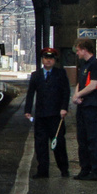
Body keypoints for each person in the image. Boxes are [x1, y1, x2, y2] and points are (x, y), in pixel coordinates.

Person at [25, 47, 70, 178]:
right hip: (40, 116)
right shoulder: (36, 75)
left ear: (54, 60)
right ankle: (42, 171)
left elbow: (66, 92)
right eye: (46, 58)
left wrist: (64, 108)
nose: (48, 61)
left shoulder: (61, 74)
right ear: (42, 60)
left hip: (56, 115)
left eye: (51, 58)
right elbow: (30, 93)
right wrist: (28, 110)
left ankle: (64, 169)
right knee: (40, 145)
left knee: (59, 144)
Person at [72, 37, 97, 181]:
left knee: (93, 140)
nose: (77, 53)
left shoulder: (95, 64)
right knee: (82, 140)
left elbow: (93, 84)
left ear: (84, 49)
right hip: (83, 106)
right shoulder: (84, 65)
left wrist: (78, 95)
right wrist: (76, 95)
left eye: (78, 50)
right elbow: (80, 83)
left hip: (93, 107)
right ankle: (85, 168)